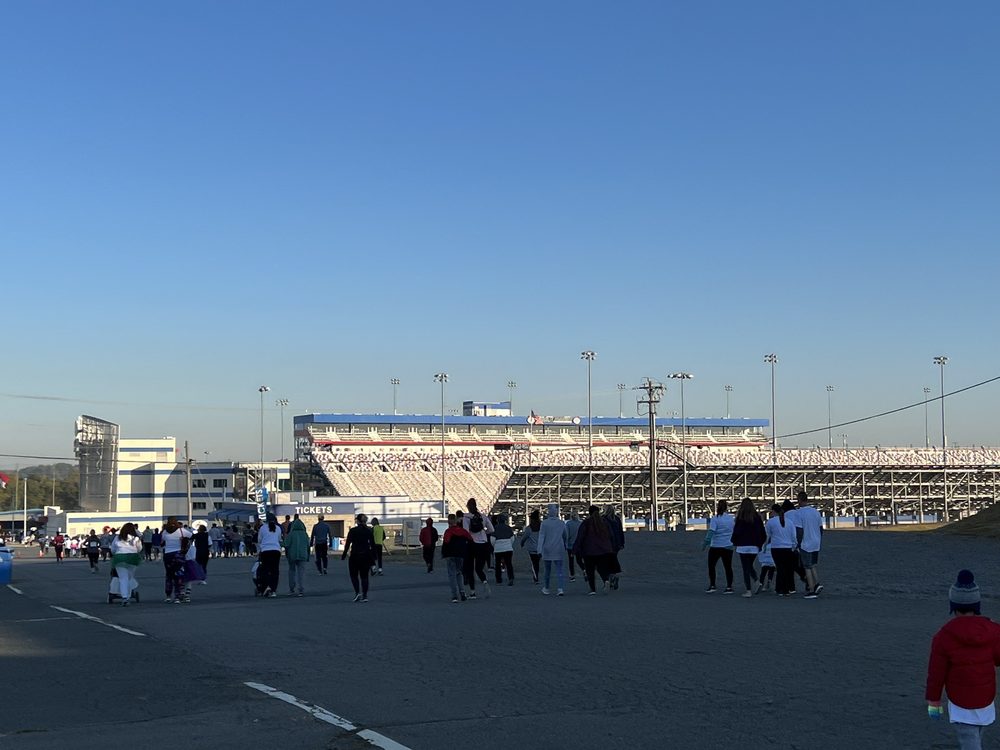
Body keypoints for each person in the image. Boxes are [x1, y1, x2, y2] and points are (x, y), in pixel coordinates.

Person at [926, 570, 1000, 749]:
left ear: (953, 605)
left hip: (961, 700)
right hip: (985, 697)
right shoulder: (993, 630)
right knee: (977, 731)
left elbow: (937, 673)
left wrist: (933, 701)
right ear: (977, 605)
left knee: (969, 738)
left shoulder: (943, 636)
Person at [573, 505, 615, 595]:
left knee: (590, 570)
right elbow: (611, 535)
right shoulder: (604, 522)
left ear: (589, 513)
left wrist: (575, 549)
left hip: (589, 551)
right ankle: (606, 580)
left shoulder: (586, 523)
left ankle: (592, 589)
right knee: (601, 567)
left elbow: (580, 537)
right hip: (604, 550)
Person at [731, 498, 767, 598]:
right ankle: (756, 581)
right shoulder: (757, 517)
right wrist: (760, 544)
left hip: (743, 546)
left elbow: (737, 531)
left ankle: (749, 589)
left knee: (746, 568)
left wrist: (734, 541)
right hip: (754, 546)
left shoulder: (740, 517)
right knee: (749, 565)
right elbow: (762, 533)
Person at [793, 490, 824, 598]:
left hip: (806, 542)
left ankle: (811, 589)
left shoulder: (799, 513)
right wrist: (819, 538)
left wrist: (798, 543)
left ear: (799, 500)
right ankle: (817, 583)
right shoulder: (815, 512)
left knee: (807, 566)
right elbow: (821, 528)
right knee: (813, 565)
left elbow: (799, 530)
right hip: (816, 542)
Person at [461, 498, 494, 598]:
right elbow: (491, 529)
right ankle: (484, 582)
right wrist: (484, 532)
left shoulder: (466, 518)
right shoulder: (483, 517)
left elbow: (466, 532)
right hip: (483, 544)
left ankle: (472, 591)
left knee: (470, 568)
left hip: (472, 544)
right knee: (479, 568)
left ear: (467, 507)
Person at [765, 502, 799, 597]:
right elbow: (794, 536)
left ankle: (780, 588)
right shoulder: (789, 522)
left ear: (773, 511)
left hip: (776, 548)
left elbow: (767, 536)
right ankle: (787, 589)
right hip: (788, 548)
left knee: (780, 568)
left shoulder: (770, 522)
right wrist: (794, 546)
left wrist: (764, 546)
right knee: (787, 569)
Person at [342, 514, 376, 602]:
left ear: (358, 521)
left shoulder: (353, 531)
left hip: (355, 555)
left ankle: (357, 593)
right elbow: (372, 545)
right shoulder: (369, 530)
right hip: (366, 555)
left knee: (354, 576)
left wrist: (344, 554)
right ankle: (365, 596)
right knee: (364, 577)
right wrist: (373, 558)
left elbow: (348, 543)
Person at [441, 514, 473, 603]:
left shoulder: (448, 531)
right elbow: (470, 539)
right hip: (461, 554)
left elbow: (446, 542)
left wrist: (444, 554)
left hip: (450, 554)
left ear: (448, 522)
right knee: (459, 573)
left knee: (452, 575)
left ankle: (454, 595)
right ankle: (462, 593)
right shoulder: (463, 531)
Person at [537, 504, 568, 596]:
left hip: (547, 548)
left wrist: (539, 549)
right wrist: (565, 544)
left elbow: (541, 537)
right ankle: (560, 588)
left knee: (547, 570)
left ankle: (546, 588)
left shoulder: (544, 523)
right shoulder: (561, 523)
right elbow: (565, 535)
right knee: (559, 570)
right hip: (559, 548)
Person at [161, 517, 192, 603]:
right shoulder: (181, 531)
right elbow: (191, 536)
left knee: (169, 575)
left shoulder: (165, 531)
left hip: (168, 555)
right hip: (179, 554)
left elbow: (162, 542)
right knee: (179, 575)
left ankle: (168, 596)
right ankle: (177, 597)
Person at [111, 523, 143, 607]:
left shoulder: (118, 537)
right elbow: (139, 548)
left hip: (119, 557)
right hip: (132, 557)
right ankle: (128, 594)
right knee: (129, 577)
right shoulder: (135, 538)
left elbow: (113, 549)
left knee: (122, 578)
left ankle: (125, 597)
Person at [256, 514, 283, 598]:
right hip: (276, 551)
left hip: (265, 551)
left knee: (265, 570)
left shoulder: (263, 528)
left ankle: (266, 586)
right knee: (275, 571)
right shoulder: (278, 528)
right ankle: (273, 590)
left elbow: (259, 540)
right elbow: (279, 539)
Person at [282, 516, 310, 597]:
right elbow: (308, 546)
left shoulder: (291, 534)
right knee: (301, 573)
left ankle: (292, 589)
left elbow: (286, 544)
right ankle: (301, 589)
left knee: (291, 571)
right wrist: (307, 556)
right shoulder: (305, 534)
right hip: (303, 555)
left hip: (292, 555)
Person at [603, 506, 625, 590]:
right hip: (616, 544)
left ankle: (610, 578)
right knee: (614, 558)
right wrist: (622, 543)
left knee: (607, 561)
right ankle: (615, 575)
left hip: (607, 544)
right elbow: (620, 532)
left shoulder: (604, 519)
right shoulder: (616, 519)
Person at [491, 514, 515, 585]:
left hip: (498, 548)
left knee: (497, 565)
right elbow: (512, 538)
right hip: (508, 548)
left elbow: (492, 539)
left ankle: (499, 579)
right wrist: (509, 544)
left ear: (497, 520)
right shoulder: (508, 528)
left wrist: (495, 546)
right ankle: (511, 577)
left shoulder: (495, 528)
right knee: (509, 564)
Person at [520, 510, 542, 584]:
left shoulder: (529, 528)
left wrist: (522, 543)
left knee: (534, 562)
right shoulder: (542, 526)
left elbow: (524, 537)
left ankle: (536, 577)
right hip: (540, 548)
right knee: (537, 563)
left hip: (532, 549)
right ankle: (536, 575)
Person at [565, 509, 583, 582]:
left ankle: (572, 576)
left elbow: (567, 535)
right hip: (579, 545)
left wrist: (565, 543)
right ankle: (584, 569)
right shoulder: (581, 523)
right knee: (579, 560)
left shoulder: (568, 524)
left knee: (571, 561)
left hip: (570, 546)